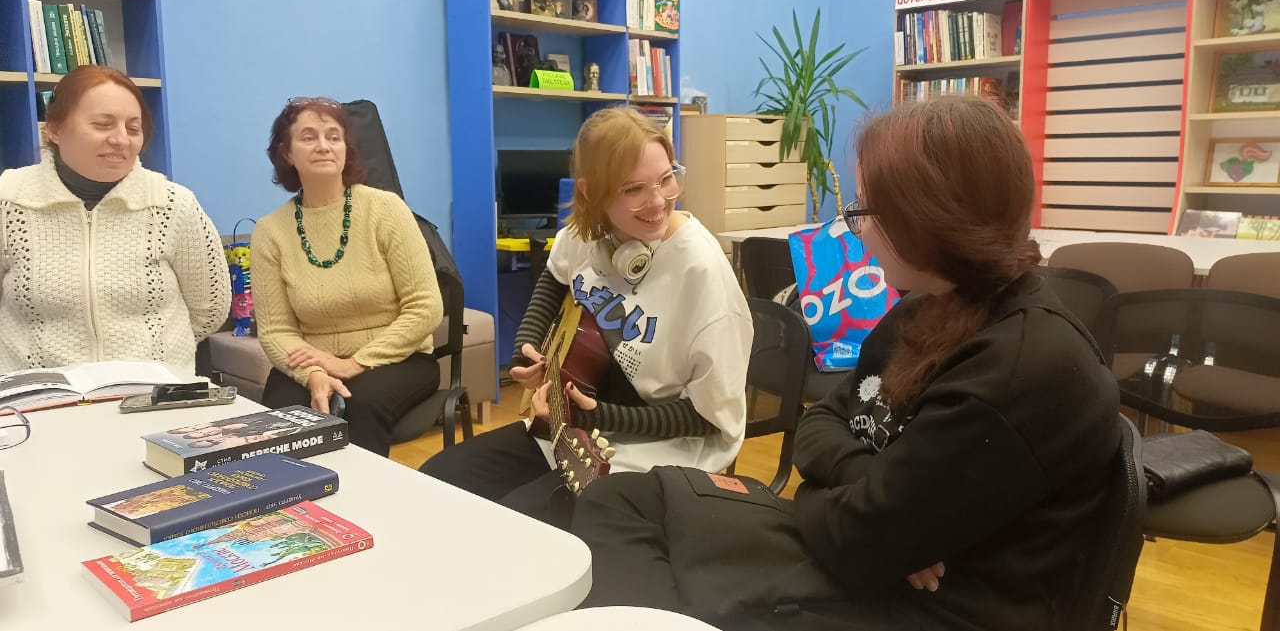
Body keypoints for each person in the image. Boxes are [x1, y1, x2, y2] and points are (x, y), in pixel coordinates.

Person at [571, 96, 1122, 631]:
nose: (856, 232)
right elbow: (819, 425)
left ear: (929, 220)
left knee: (651, 545)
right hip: (866, 547)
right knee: (616, 502)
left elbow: (860, 542)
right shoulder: (929, 306)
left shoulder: (1019, 370)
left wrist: (832, 494)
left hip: (925, 604)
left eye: (863, 212)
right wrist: (862, 484)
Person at [420, 105, 752, 525]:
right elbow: (553, 280)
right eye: (633, 189)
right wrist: (527, 350)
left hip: (667, 445)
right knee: (438, 479)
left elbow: (705, 419)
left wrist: (598, 415)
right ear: (591, 193)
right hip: (580, 425)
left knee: (518, 522)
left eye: (667, 179)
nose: (658, 201)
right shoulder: (586, 233)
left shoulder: (702, 274)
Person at [0, 65, 229, 373]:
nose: (121, 139)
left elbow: (209, 309)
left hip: (153, 391)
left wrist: (157, 356)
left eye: (133, 129)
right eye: (102, 125)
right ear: (54, 129)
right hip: (43, 393)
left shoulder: (173, 204)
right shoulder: (9, 200)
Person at [251, 97, 443, 457]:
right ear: (287, 153)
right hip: (312, 360)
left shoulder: (386, 209)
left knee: (357, 404)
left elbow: (425, 307)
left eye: (333, 137)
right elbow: (276, 330)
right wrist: (314, 374)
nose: (323, 146)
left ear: (345, 149)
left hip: (397, 357)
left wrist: (354, 363)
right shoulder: (270, 231)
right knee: (277, 421)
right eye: (309, 137)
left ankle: (361, 494)